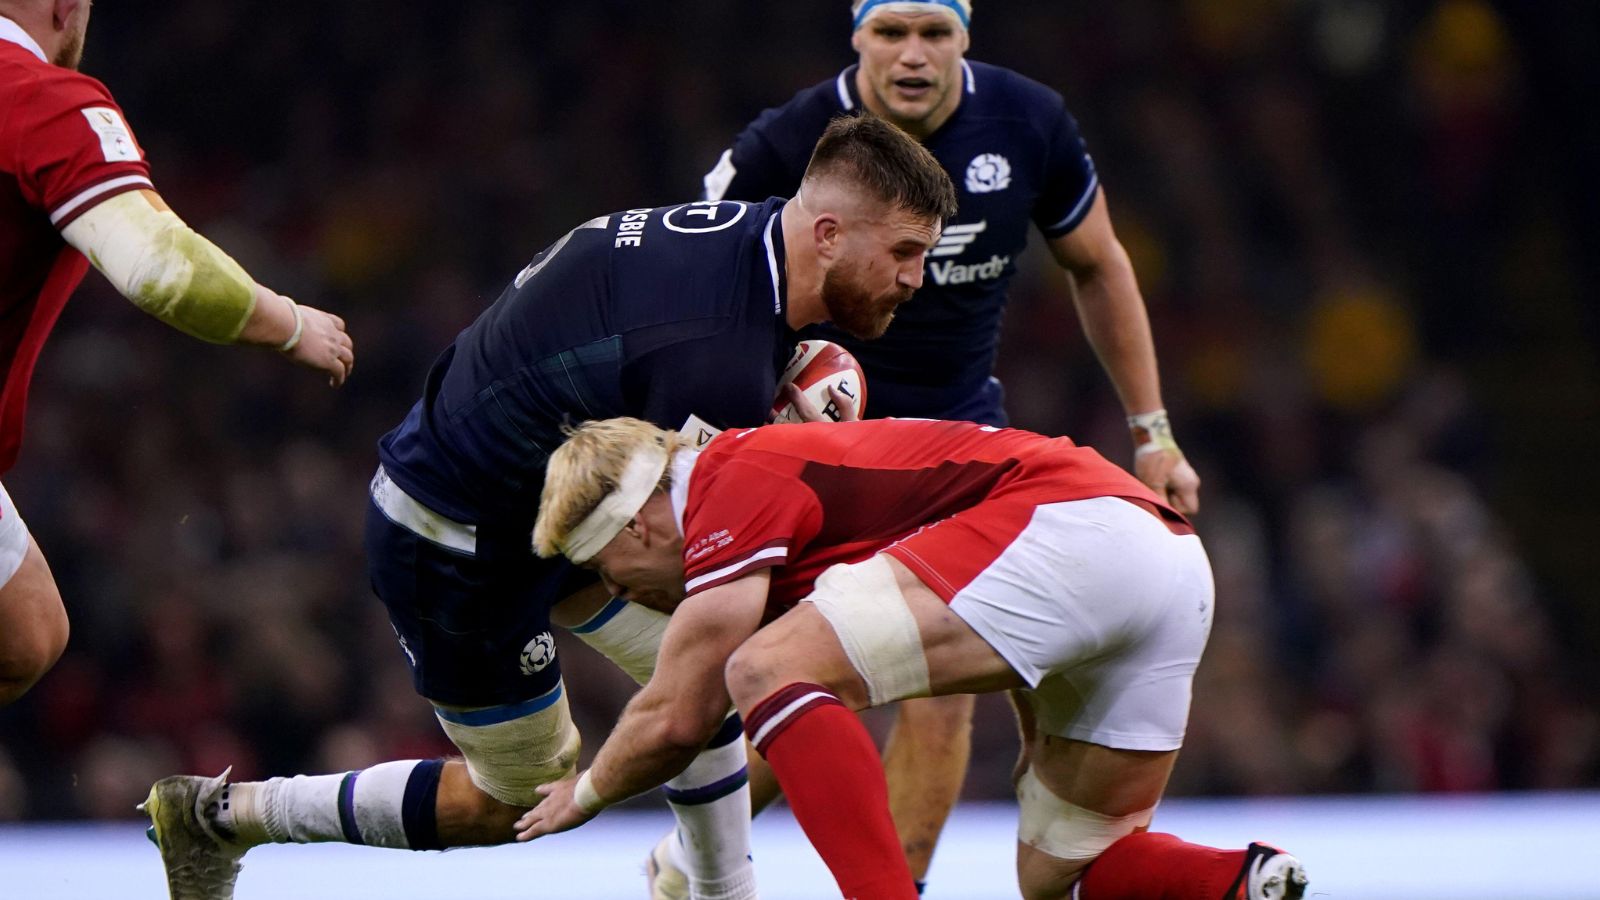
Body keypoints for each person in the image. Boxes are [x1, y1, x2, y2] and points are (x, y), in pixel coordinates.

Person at [141, 114, 957, 900]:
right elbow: (688, 562)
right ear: (827, 235)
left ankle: (705, 889)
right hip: (459, 543)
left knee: (713, 673)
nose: (917, 280)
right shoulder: (710, 359)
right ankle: (222, 817)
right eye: (905, 253)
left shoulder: (751, 242)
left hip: (563, 505)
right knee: (517, 795)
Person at [696, 1, 1202, 887]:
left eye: (936, 32)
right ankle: (695, 860)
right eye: (891, 32)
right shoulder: (790, 139)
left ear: (968, 36)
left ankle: (893, 885)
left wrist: (1153, 433)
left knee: (935, 697)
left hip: (966, 444)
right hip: (826, 454)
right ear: (856, 36)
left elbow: (1098, 263)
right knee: (783, 670)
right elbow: (699, 269)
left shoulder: (1028, 121)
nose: (914, 55)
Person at [518, 416, 1307, 900]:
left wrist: (581, 796)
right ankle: (1241, 881)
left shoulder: (725, 480)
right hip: (1166, 562)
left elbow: (679, 713)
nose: (647, 601)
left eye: (623, 582)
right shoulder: (773, 472)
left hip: (1076, 533)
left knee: (760, 667)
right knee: (1063, 874)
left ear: (634, 531)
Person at [0, 0, 353, 707]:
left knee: (26, 632)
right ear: (66, 8)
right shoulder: (39, 99)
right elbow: (160, 266)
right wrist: (288, 323)